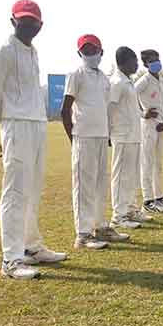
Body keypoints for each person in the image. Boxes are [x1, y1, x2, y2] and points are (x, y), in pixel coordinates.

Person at [0, 0, 66, 279]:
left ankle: (31, 247)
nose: (29, 26)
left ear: (40, 25)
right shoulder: (5, 51)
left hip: (36, 124)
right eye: (24, 20)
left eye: (33, 21)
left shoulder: (33, 51)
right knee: (15, 192)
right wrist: (6, 126)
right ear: (13, 21)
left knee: (32, 189)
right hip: (16, 125)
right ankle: (11, 259)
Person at [62, 34, 126, 249]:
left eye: (93, 50)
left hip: (101, 136)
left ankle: (101, 227)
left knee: (100, 184)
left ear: (101, 52)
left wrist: (107, 133)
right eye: (86, 51)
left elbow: (104, 109)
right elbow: (65, 109)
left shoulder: (104, 78)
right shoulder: (76, 74)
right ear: (80, 53)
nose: (90, 54)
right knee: (83, 186)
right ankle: (83, 234)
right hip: (83, 136)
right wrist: (73, 138)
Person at [108, 46, 147, 231]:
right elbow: (110, 107)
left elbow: (131, 109)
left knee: (131, 176)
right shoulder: (117, 82)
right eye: (134, 61)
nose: (137, 64)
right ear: (123, 62)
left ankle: (131, 209)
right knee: (121, 176)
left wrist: (143, 114)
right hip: (122, 135)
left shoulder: (128, 82)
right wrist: (109, 132)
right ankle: (118, 215)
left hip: (133, 135)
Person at [135, 50, 163, 214]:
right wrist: (142, 113)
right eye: (152, 61)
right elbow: (130, 96)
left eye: (157, 59)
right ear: (145, 64)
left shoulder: (162, 81)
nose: (156, 63)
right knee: (147, 163)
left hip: (160, 125)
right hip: (148, 125)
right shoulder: (143, 81)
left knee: (158, 163)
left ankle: (159, 197)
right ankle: (147, 200)